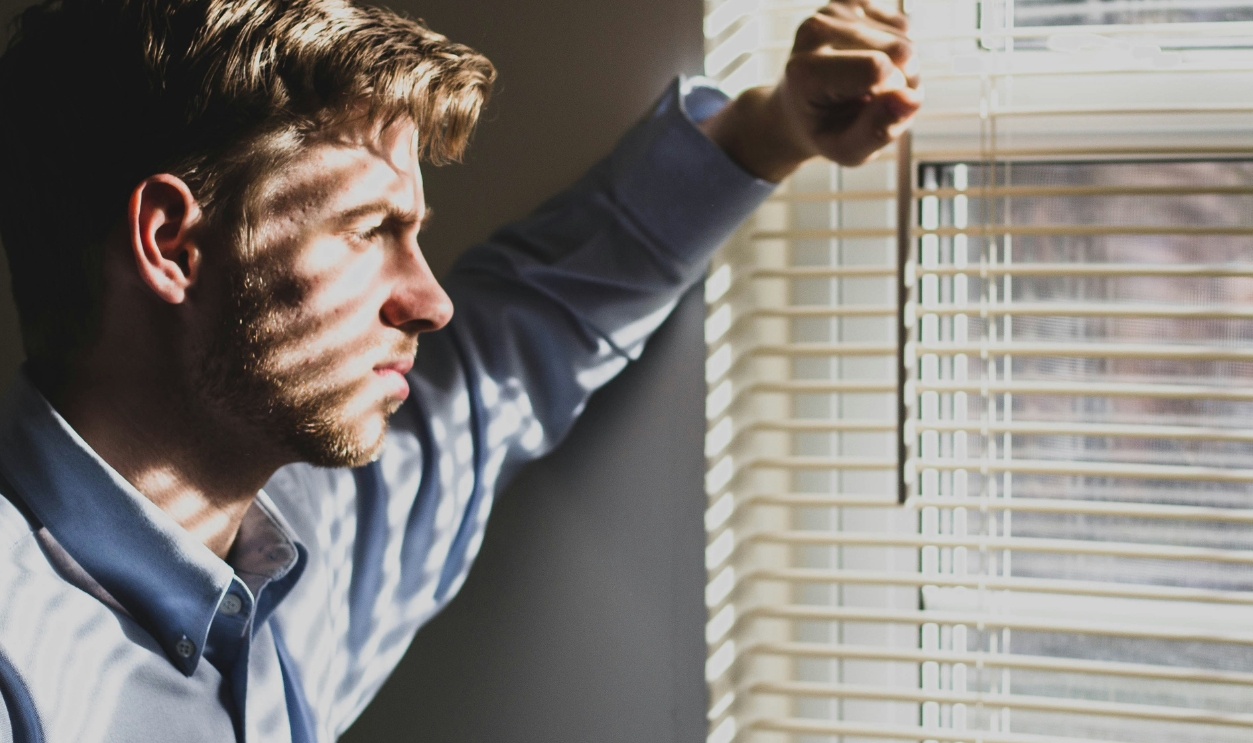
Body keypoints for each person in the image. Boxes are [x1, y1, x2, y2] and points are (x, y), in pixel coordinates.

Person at [0, 0, 919, 739]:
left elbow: (525, 334)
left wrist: (770, 130)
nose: (431, 301)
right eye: (371, 232)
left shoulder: (306, 544)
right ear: (173, 243)